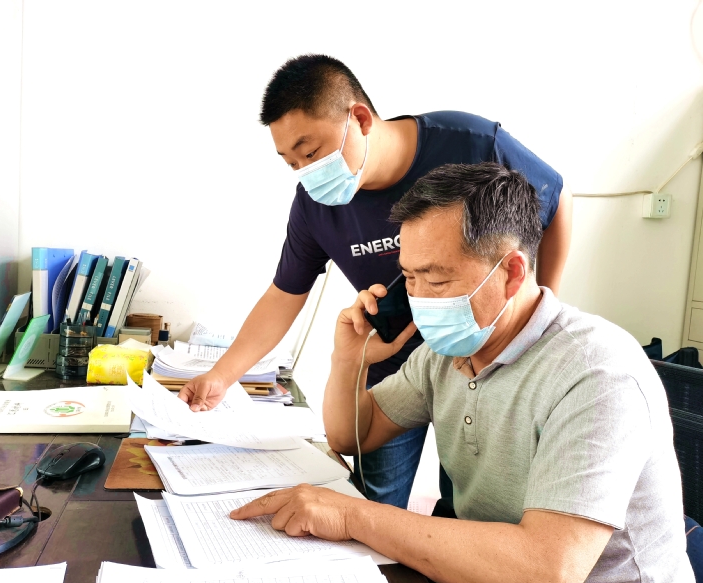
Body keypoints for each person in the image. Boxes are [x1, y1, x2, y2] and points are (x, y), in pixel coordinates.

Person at [230, 163, 696, 583]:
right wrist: (349, 362)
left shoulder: (597, 373)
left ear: (512, 273)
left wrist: (354, 516)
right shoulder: (446, 353)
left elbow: (545, 577)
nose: (418, 299)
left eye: (435, 281)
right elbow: (353, 436)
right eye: (408, 278)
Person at [179, 54, 573, 510]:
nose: (305, 171)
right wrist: (222, 377)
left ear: (361, 119)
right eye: (291, 163)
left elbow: (555, 201)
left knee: (472, 501)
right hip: (395, 363)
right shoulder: (314, 205)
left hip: (484, 358)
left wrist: (538, 316)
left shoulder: (473, 144)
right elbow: (284, 293)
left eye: (311, 152)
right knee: (373, 500)